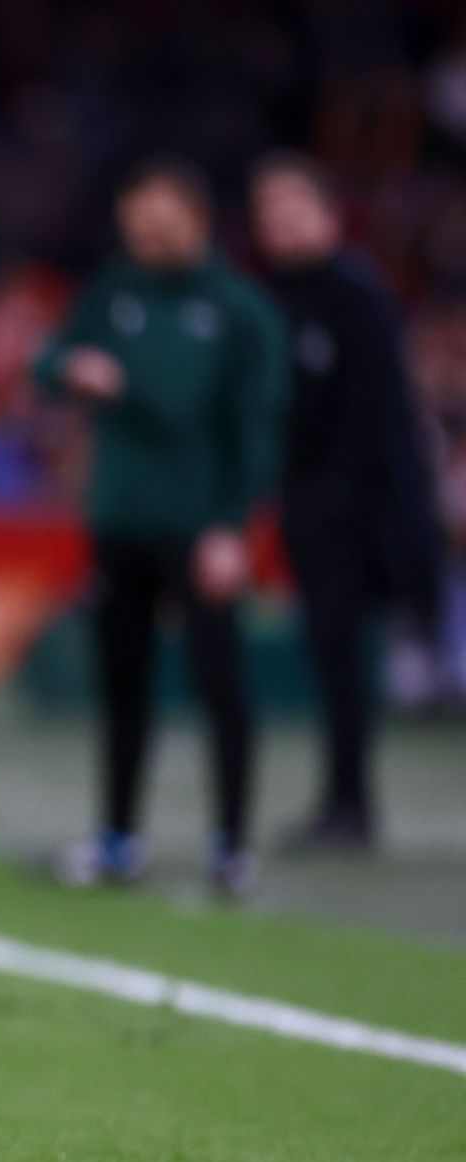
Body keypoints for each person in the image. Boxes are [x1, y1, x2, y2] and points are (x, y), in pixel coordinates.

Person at [32, 157, 290, 896]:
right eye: (136, 226)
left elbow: (257, 428)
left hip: (201, 526)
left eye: (160, 226)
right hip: (121, 521)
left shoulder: (240, 310)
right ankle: (118, 838)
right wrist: (69, 368)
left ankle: (232, 844)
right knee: (122, 682)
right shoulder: (115, 293)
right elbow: (49, 359)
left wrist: (232, 526)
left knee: (220, 682)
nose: (146, 238)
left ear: (197, 220)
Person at [249, 151, 447, 854]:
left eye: (294, 209)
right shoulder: (278, 297)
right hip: (308, 506)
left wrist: (349, 498)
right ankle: (343, 798)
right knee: (329, 655)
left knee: (346, 656)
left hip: (357, 512)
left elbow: (378, 415)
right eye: (270, 212)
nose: (281, 223)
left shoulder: (356, 295)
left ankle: (350, 803)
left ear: (329, 215)